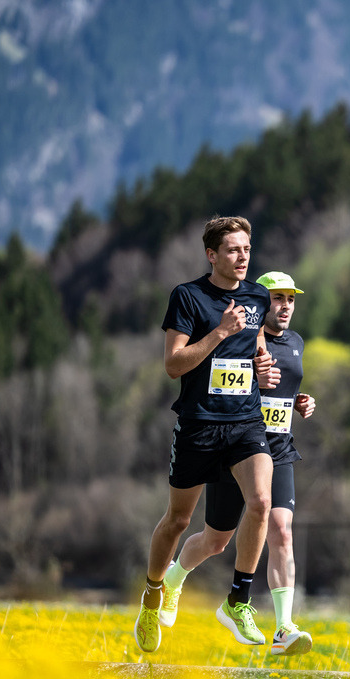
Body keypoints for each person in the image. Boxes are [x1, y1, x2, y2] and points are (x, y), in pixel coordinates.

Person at [134, 215, 275, 654]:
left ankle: (238, 600)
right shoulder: (188, 297)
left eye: (247, 250)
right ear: (212, 255)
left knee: (262, 501)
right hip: (199, 424)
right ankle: (154, 593)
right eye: (233, 250)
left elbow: (255, 346)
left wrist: (263, 366)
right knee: (178, 521)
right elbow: (174, 364)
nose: (242, 257)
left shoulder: (257, 297)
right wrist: (219, 332)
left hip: (245, 423)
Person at [156, 271, 317, 656]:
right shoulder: (239, 340)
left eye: (290, 299)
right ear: (258, 303)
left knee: (282, 528)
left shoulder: (295, 343)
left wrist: (301, 403)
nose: (284, 306)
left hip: (276, 450)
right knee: (215, 541)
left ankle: (283, 627)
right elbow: (220, 384)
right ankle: (174, 580)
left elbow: (285, 389)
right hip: (236, 446)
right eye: (276, 298)